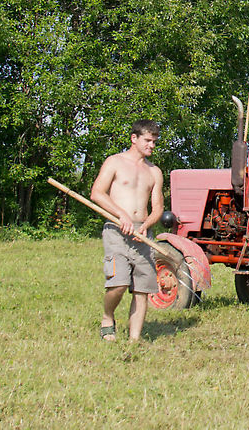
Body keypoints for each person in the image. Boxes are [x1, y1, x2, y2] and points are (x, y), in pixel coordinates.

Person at [90, 119, 164, 342]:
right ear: (134, 138)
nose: (152, 145)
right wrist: (121, 214)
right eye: (148, 141)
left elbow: (158, 208)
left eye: (154, 142)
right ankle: (107, 316)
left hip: (143, 236)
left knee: (142, 289)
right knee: (119, 284)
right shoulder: (114, 162)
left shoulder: (155, 172)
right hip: (116, 231)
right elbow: (97, 193)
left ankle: (134, 340)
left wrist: (147, 226)